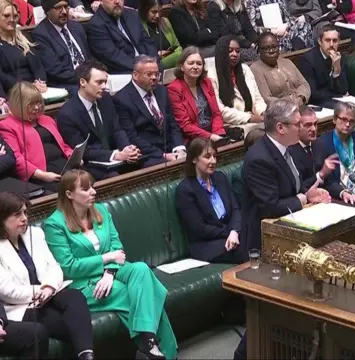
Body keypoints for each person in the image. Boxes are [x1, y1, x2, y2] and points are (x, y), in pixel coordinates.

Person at [44, 169, 178, 360]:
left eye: (93, 187)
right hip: (84, 284)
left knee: (141, 269)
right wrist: (106, 259)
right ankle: (162, 351)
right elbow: (69, 267)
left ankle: (147, 341)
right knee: (142, 295)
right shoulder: (55, 224)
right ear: (69, 194)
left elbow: (117, 246)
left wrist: (109, 272)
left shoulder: (101, 211)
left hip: (112, 272)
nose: (93, 192)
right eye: (85, 189)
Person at [0, 191, 95, 360]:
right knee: (72, 327)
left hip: (49, 294)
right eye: (17, 214)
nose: (24, 218)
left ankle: (87, 356)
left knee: (74, 296)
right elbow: (7, 290)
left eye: (25, 212)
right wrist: (41, 290)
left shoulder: (35, 234)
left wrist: (50, 287)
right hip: (22, 306)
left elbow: (54, 267)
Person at [240, 99, 331, 251]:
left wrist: (308, 193)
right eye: (297, 124)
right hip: (266, 242)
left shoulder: (286, 148)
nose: (300, 128)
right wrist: (303, 199)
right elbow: (270, 207)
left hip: (290, 228)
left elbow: (292, 187)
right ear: (281, 128)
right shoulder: (259, 159)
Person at [57, 60, 143, 181]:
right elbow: (83, 150)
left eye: (105, 82)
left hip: (114, 156)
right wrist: (116, 155)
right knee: (114, 178)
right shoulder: (67, 114)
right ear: (83, 82)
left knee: (144, 161)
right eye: (99, 82)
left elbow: (117, 129)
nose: (104, 86)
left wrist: (127, 148)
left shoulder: (106, 100)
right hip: (90, 164)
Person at [175, 138, 245, 263]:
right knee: (245, 249)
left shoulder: (220, 178)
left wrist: (234, 231)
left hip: (230, 235)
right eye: (207, 157)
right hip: (205, 245)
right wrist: (230, 232)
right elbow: (200, 228)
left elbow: (235, 209)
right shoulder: (185, 190)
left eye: (214, 156)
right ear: (194, 159)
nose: (213, 161)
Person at [0, 82, 76, 192]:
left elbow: (63, 145)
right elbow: (17, 159)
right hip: (40, 175)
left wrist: (73, 155)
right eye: (31, 104)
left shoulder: (47, 119)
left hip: (65, 166)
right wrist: (42, 175)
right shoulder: (7, 126)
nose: (37, 107)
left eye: (39, 102)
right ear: (18, 104)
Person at [114, 55, 186, 164]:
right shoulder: (122, 99)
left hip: (171, 148)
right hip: (148, 155)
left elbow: (172, 123)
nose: (154, 78)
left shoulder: (162, 91)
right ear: (135, 75)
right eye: (149, 74)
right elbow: (132, 137)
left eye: (156, 74)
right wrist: (163, 155)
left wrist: (179, 148)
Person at [167, 47, 227, 143]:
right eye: (191, 63)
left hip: (213, 133)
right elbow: (185, 126)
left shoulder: (206, 82)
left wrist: (218, 133)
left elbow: (216, 114)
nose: (195, 67)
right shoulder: (174, 88)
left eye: (199, 64)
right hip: (193, 138)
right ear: (182, 66)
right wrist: (210, 136)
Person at [210, 35, 267, 133]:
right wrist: (251, 118)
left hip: (254, 119)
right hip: (232, 124)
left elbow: (257, 98)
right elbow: (221, 110)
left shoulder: (245, 69)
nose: (235, 54)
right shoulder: (211, 75)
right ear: (221, 52)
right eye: (230, 51)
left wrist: (264, 113)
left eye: (237, 51)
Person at [32, 0, 91, 93]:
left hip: (88, 78)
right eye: (58, 7)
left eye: (66, 6)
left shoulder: (77, 27)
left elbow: (89, 56)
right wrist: (86, 77)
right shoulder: (41, 34)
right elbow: (55, 70)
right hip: (65, 84)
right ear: (47, 11)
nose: (64, 11)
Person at [86, 0, 158, 73]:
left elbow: (148, 42)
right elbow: (113, 56)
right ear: (101, 1)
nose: (117, 1)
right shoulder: (96, 25)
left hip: (149, 68)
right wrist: (143, 68)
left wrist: (153, 63)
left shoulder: (132, 15)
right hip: (124, 72)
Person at [0, 0, 48, 95]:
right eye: (6, 16)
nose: (12, 19)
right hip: (14, 93)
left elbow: (38, 67)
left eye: (15, 16)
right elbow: (2, 76)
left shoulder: (25, 39)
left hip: (36, 91)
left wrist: (41, 82)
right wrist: (28, 87)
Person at [251, 32, 310, 106]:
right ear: (259, 50)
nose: (271, 51)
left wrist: (300, 98)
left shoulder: (287, 62)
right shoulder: (255, 69)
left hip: (300, 105)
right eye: (266, 48)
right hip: (279, 112)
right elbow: (266, 98)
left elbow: (304, 84)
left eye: (274, 47)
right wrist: (289, 105)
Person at [288, 105, 338, 189]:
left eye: (315, 124)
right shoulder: (289, 151)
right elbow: (299, 188)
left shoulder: (320, 144)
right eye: (308, 125)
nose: (314, 129)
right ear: (296, 127)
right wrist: (321, 174)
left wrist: (342, 193)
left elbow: (329, 181)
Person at [299, 24, 348, 108]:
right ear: (319, 41)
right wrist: (335, 95)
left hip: (336, 100)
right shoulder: (308, 60)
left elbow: (343, 90)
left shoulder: (340, 57)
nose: (331, 44)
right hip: (318, 104)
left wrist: (336, 70)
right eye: (328, 40)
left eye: (335, 40)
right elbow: (313, 94)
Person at [245, 0, 314, 53]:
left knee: (304, 26)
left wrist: (286, 26)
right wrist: (271, 31)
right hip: (265, 35)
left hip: (283, 31)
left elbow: (288, 18)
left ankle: (299, 56)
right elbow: (252, 28)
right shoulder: (251, 2)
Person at [139, 0, 182, 69]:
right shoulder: (139, 25)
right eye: (154, 12)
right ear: (145, 10)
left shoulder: (165, 21)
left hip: (172, 58)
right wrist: (158, 54)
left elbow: (177, 46)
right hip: (155, 63)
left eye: (160, 11)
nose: (158, 15)